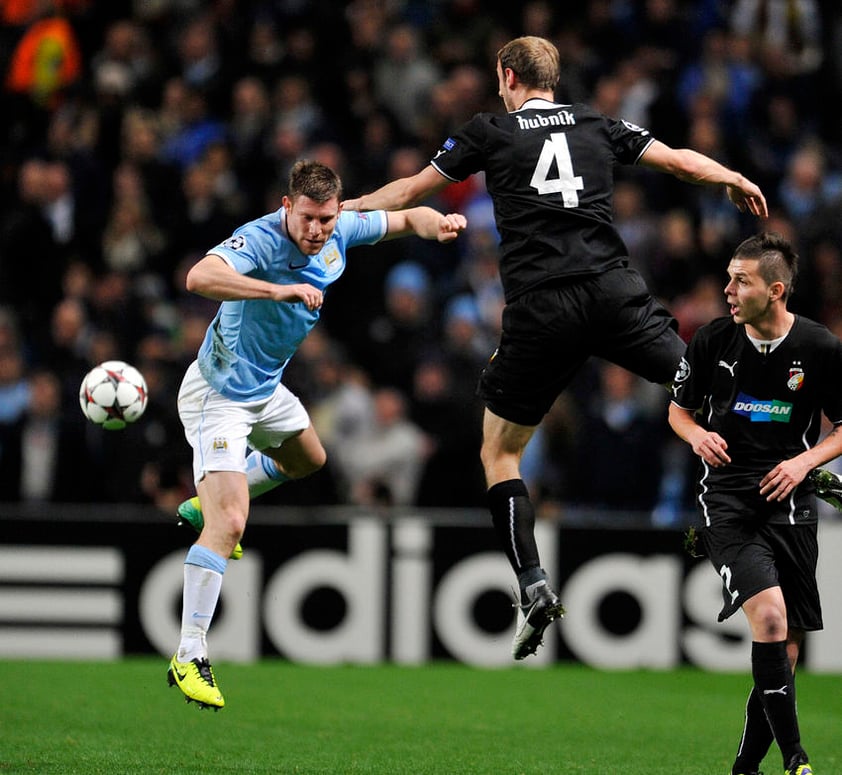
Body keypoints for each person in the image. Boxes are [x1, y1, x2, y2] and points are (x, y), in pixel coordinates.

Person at [342, 35, 768, 661]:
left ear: (507, 76)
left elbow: (410, 190)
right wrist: (729, 175)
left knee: (500, 451)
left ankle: (533, 583)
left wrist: (347, 210)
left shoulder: (489, 130)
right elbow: (676, 160)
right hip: (614, 295)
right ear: (554, 78)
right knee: (706, 385)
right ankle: (796, 463)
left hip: (543, 308)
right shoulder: (596, 122)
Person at [167, 159, 466, 710]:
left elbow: (403, 219)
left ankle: (200, 504)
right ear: (288, 207)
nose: (316, 231)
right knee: (230, 524)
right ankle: (189, 653)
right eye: (306, 218)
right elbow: (197, 278)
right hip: (220, 396)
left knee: (309, 459)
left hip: (266, 391)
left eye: (325, 219)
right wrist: (274, 292)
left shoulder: (341, 229)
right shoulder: (257, 240)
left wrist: (437, 223)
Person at [668, 233, 842, 775]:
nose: (727, 289)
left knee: (786, 650)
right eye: (728, 277)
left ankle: (745, 767)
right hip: (728, 501)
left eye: (739, 280)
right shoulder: (712, 341)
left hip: (790, 501)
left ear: (775, 289)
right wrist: (696, 436)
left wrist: (805, 461)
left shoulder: (819, 348)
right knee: (769, 618)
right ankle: (797, 758)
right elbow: (678, 411)